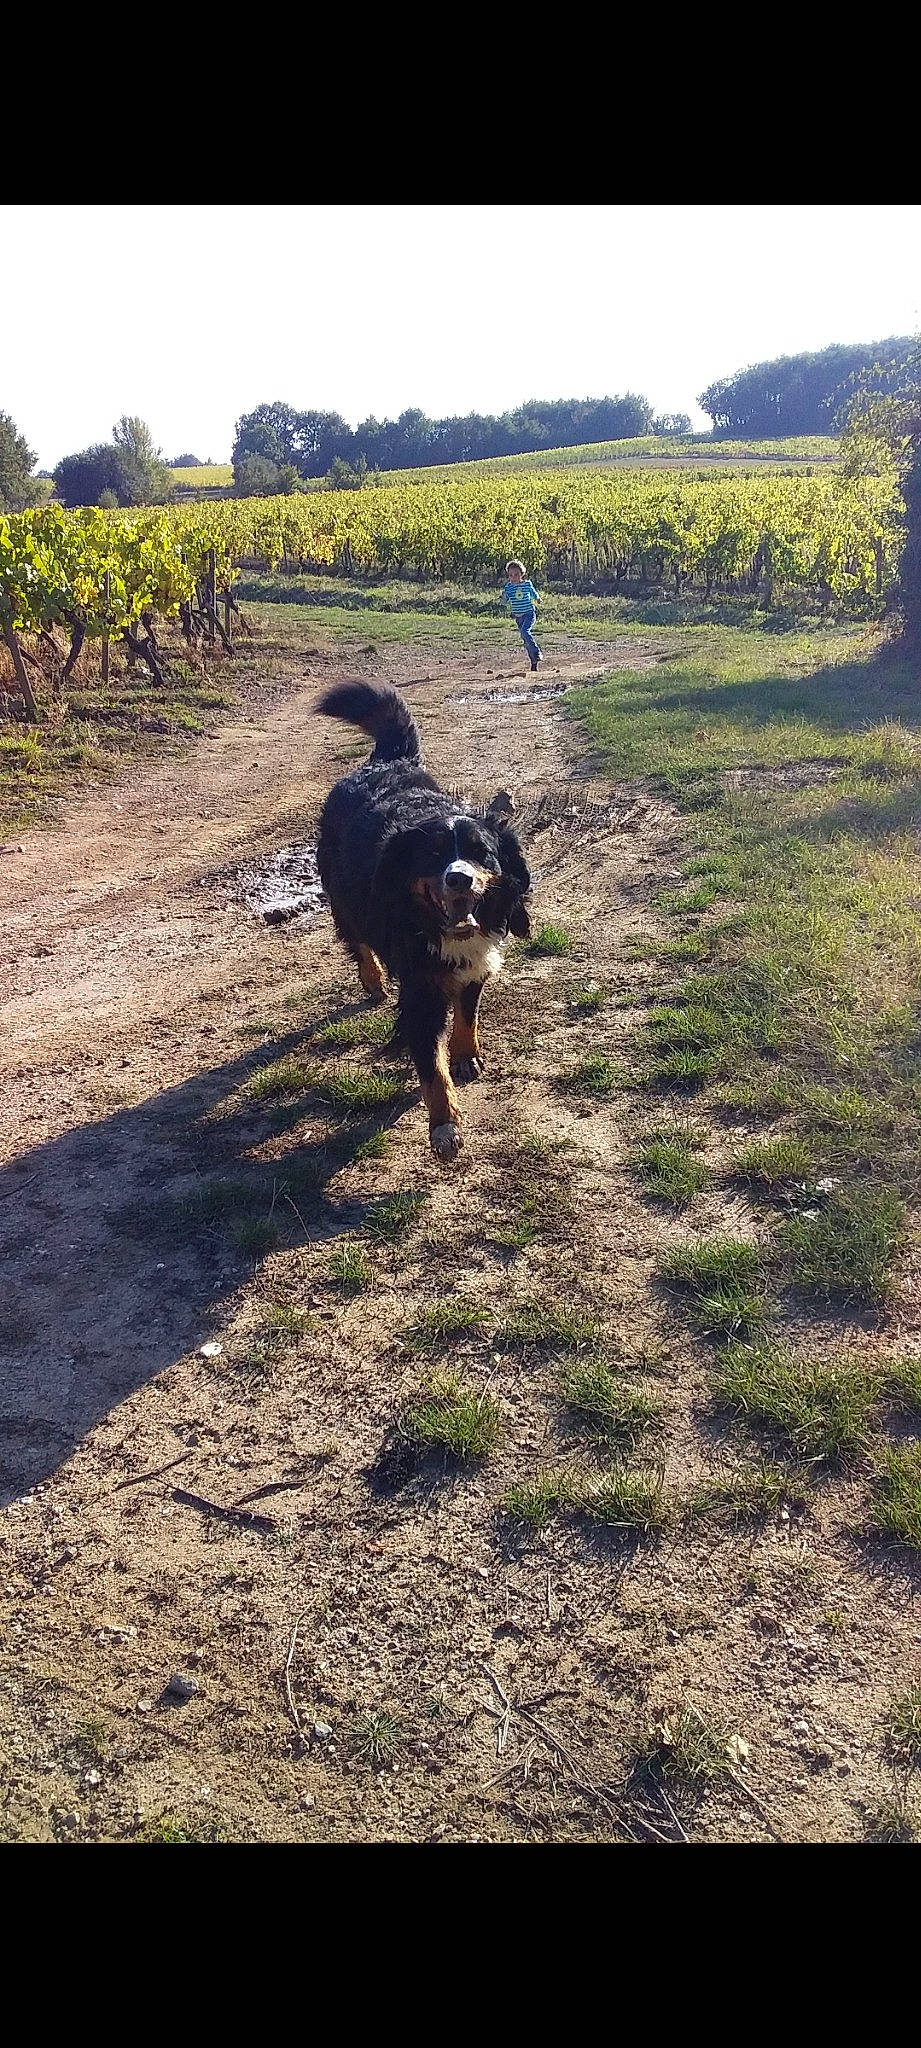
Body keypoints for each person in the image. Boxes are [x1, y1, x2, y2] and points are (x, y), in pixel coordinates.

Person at [502, 559, 542, 671]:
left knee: (525, 632)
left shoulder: (527, 584)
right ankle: (534, 662)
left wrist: (538, 598)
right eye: (511, 575)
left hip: (529, 613)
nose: (513, 577)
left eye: (516, 574)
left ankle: (537, 652)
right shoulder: (509, 587)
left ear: (521, 574)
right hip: (518, 617)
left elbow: (533, 592)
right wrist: (503, 598)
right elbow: (505, 599)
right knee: (525, 639)